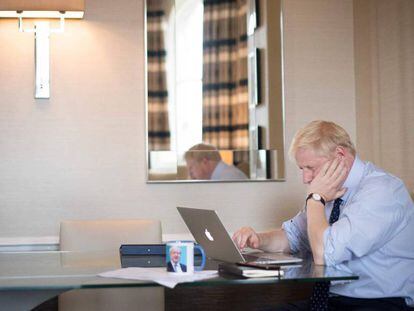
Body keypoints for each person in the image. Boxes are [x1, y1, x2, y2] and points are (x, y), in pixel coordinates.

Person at [232, 120, 414, 310]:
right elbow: (294, 236)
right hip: (333, 301)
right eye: (302, 169)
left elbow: (325, 255)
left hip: (380, 303)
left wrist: (315, 198)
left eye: (310, 167)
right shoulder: (327, 191)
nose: (306, 179)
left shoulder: (383, 191)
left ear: (340, 155)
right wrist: (258, 239)